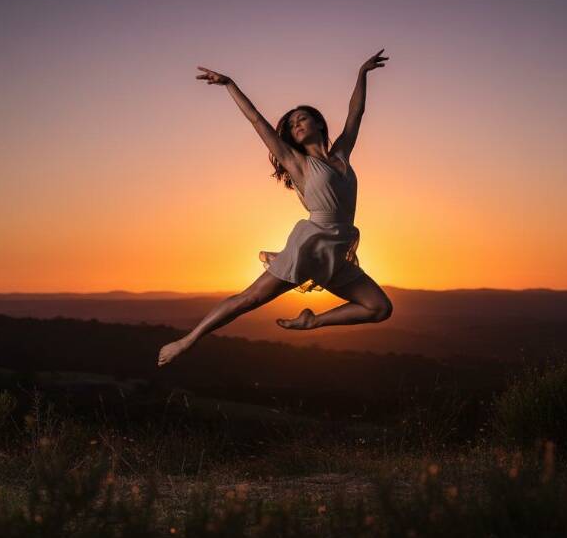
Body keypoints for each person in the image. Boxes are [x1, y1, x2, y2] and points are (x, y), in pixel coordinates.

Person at [157, 49, 393, 367]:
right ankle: (186, 341)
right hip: (312, 244)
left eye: (302, 118)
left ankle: (313, 321)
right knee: (249, 300)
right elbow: (257, 119)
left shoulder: (340, 155)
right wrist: (229, 84)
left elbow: (356, 114)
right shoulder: (296, 162)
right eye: (292, 123)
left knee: (379, 308)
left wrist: (362, 72)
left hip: (337, 249)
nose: (296, 124)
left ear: (319, 124)